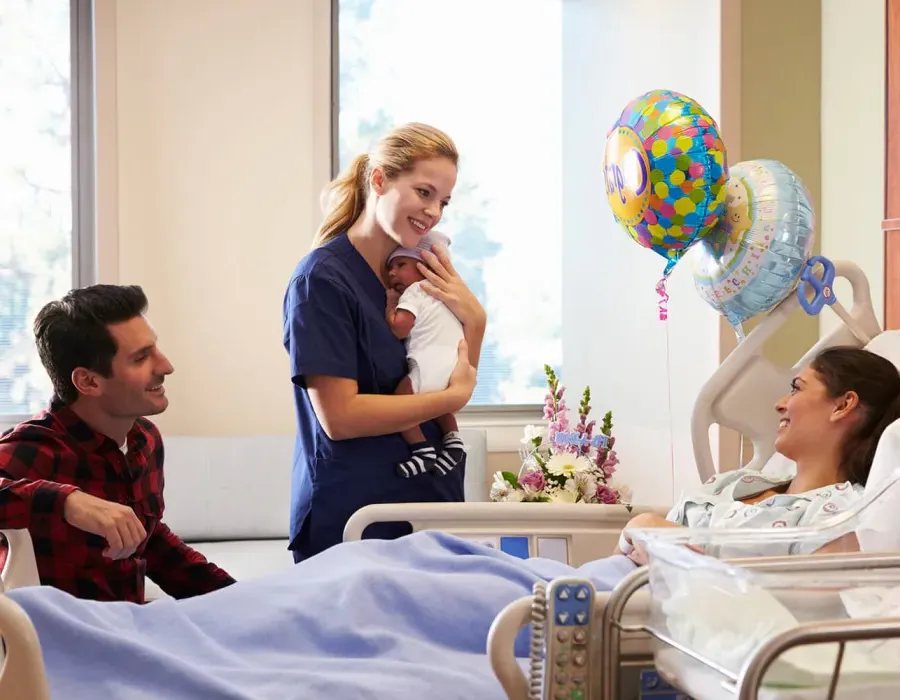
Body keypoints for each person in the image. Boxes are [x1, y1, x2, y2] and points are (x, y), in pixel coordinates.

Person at [283, 122, 486, 563]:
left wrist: (477, 319)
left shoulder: (419, 273)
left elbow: (448, 378)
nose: (434, 212)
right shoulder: (321, 280)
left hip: (430, 500)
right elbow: (340, 417)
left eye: (444, 201)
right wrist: (455, 396)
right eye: (424, 192)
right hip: (357, 515)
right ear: (379, 180)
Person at [0, 285, 235, 603]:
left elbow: (149, 543)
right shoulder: (33, 448)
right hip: (51, 646)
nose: (166, 366)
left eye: (155, 349)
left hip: (127, 630)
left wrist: (237, 597)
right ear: (89, 382)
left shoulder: (145, 440)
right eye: (141, 358)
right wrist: (68, 503)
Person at [616, 346, 900, 563]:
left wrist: (661, 542)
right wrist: (636, 532)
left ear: (843, 405)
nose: (780, 404)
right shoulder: (738, 482)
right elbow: (621, 560)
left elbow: (790, 603)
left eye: (796, 389)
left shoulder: (844, 516)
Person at [385, 230, 467, 478]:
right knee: (442, 407)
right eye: (390, 267)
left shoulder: (416, 291)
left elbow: (400, 328)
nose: (392, 273)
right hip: (451, 362)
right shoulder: (447, 296)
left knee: (402, 401)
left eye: (400, 264)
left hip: (427, 361)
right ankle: (453, 443)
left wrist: (390, 304)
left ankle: (421, 450)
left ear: (424, 268)